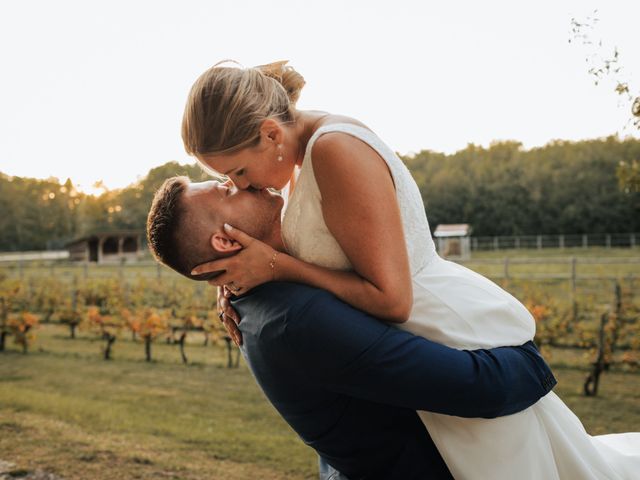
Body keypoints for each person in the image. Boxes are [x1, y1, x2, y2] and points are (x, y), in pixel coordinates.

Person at [178, 60, 640, 479]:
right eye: (229, 181)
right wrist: (236, 280)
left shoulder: (334, 151)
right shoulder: (296, 154)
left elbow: (392, 300)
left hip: (439, 322)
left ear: (270, 135)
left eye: (238, 171)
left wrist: (279, 268)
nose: (242, 185)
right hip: (413, 337)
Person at [146, 177, 557, 479]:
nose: (242, 181)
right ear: (224, 242)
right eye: (226, 189)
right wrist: (529, 358)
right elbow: (480, 388)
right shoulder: (298, 318)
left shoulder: (249, 294)